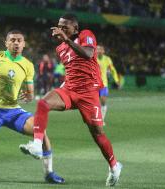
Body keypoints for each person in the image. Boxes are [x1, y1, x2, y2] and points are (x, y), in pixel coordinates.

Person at [19, 14, 122, 187]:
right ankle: (37, 145)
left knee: (97, 134)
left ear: (75, 28)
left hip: (89, 93)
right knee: (43, 103)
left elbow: (88, 54)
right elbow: (72, 70)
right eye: (60, 25)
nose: (61, 29)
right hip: (70, 89)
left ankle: (114, 167)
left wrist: (67, 39)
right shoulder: (61, 48)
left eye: (66, 26)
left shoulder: (86, 35)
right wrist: (61, 88)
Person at [0, 30, 64, 183]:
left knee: (40, 130)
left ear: (23, 44)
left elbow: (30, 92)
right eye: (12, 40)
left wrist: (28, 96)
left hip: (14, 110)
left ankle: (49, 173)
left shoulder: (28, 65)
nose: (16, 43)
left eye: (19, 40)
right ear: (6, 43)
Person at [97, 45, 119, 125]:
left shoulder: (107, 59)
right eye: (97, 49)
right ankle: (94, 119)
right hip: (94, 84)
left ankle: (101, 120)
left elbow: (112, 70)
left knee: (103, 101)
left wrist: (116, 80)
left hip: (103, 84)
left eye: (100, 49)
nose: (98, 50)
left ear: (103, 51)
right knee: (93, 102)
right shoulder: (92, 58)